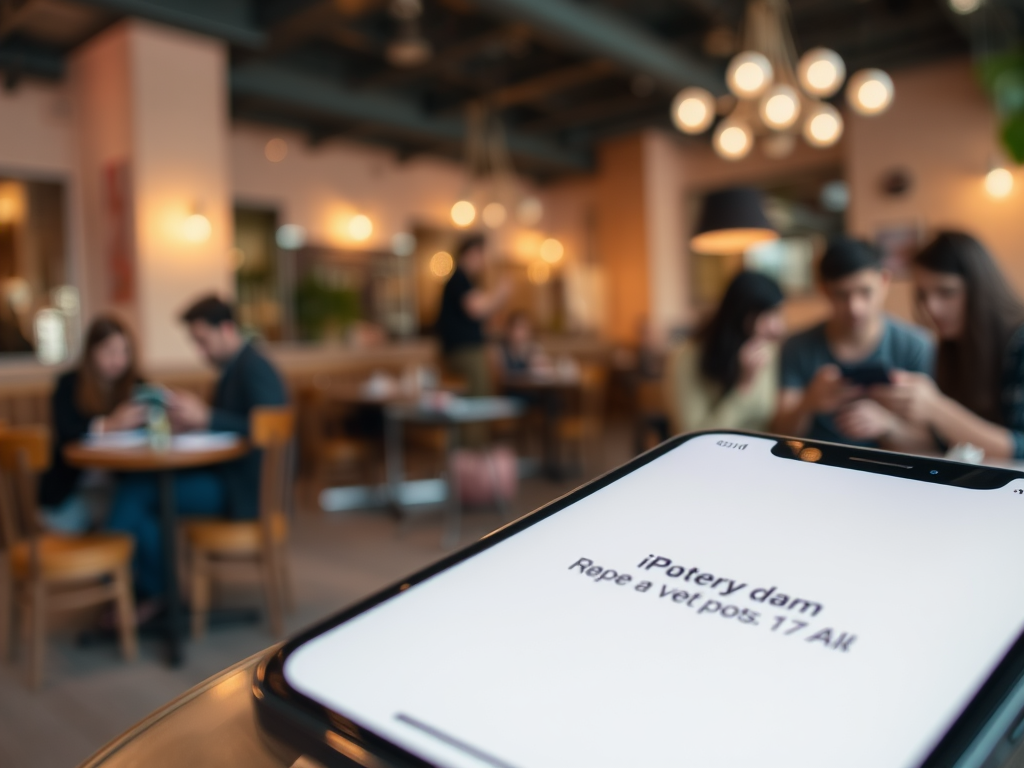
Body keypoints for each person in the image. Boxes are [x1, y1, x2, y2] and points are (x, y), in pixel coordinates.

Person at [106, 296, 287, 606]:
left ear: (227, 329)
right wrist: (195, 424)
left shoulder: (254, 367)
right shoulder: (235, 368)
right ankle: (157, 591)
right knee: (145, 495)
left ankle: (110, 569)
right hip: (229, 479)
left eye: (203, 341)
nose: (200, 351)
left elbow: (267, 427)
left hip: (243, 491)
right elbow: (235, 426)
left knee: (141, 489)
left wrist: (208, 417)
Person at [865, 232, 1024, 458]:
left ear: (981, 287)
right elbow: (945, 445)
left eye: (946, 292)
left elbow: (1020, 448)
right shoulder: (952, 346)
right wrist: (887, 423)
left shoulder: (1019, 341)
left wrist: (936, 408)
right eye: (923, 295)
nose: (932, 308)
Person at [772, 237, 933, 447]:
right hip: (815, 464)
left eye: (865, 292)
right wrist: (808, 403)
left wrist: (888, 424)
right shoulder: (797, 346)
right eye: (841, 295)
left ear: (884, 281)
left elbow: (929, 446)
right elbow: (778, 434)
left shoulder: (916, 346)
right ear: (824, 290)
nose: (854, 308)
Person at [39, 316, 147, 532]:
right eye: (109, 352)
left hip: (119, 486)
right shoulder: (69, 385)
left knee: (142, 509)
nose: (117, 360)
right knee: (136, 512)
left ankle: (125, 563)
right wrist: (111, 425)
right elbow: (67, 432)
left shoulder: (137, 386)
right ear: (91, 352)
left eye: (124, 352)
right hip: (71, 491)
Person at [664, 271, 785, 434]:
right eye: (768, 316)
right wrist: (743, 387)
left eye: (777, 314)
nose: (778, 327)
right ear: (741, 314)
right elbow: (692, 436)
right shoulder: (686, 359)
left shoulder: (769, 350)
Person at [435, 236, 512, 396]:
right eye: (481, 255)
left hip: (467, 349)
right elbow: (476, 308)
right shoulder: (458, 278)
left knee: (482, 394)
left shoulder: (466, 280)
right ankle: (477, 422)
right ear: (471, 253)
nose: (484, 262)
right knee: (480, 396)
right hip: (464, 350)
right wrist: (500, 294)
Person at [498, 311, 549, 375]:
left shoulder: (534, 348)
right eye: (518, 327)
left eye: (525, 328)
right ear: (509, 330)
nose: (522, 333)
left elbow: (543, 372)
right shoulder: (500, 351)